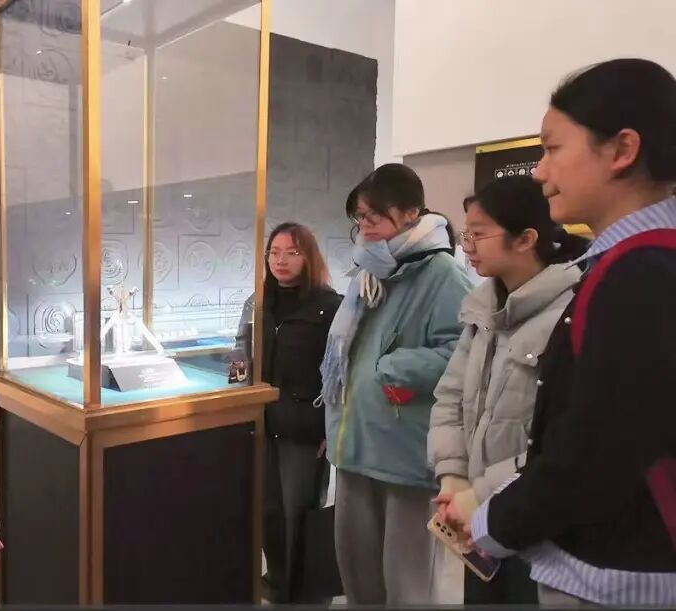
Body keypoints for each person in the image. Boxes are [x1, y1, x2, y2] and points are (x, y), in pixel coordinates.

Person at [447, 58, 676, 607]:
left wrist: (490, 521)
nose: (539, 171)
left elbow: (595, 456)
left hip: (617, 576)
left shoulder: (641, 272)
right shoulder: (630, 265)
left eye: (552, 148)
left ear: (622, 150)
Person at [428, 175, 589, 605]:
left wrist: (479, 494)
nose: (467, 245)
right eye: (466, 234)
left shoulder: (573, 313)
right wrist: (453, 477)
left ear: (525, 239)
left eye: (478, 234)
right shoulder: (484, 309)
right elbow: (449, 397)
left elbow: (561, 439)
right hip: (474, 521)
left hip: (536, 523)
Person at [320, 163, 472, 605]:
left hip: (405, 456)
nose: (365, 226)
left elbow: (465, 353)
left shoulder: (441, 273)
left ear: (409, 213)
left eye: (375, 215)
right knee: (359, 580)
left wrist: (394, 367)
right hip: (355, 448)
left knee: (406, 586)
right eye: (360, 217)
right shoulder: (369, 271)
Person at [236, 222, 342, 603]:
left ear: (308, 257)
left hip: (305, 429)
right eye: (274, 252)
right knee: (268, 511)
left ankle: (306, 594)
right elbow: (240, 353)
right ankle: (279, 581)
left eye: (292, 252)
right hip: (261, 423)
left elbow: (340, 374)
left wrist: (330, 427)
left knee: (300, 512)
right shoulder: (258, 302)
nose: (280, 260)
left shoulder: (330, 306)